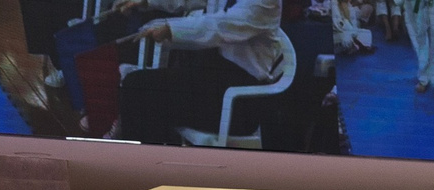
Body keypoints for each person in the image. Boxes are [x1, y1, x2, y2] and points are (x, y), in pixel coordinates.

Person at [112, 0, 302, 139]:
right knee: (139, 87)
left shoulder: (266, 2)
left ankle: (149, 165)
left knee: (138, 88)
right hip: (213, 81)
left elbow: (220, 26)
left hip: (240, 100)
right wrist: (146, 1)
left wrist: (171, 28)